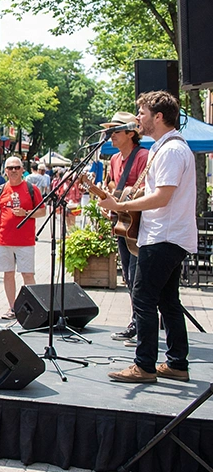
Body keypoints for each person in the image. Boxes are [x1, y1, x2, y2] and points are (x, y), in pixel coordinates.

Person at [100, 91, 197, 384]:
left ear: (158, 116)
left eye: (142, 112)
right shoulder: (164, 148)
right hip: (167, 235)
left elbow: (162, 197)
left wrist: (123, 206)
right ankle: (177, 363)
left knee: (142, 297)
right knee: (168, 300)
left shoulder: (170, 151)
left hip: (163, 237)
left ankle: (144, 365)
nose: (138, 118)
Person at [102, 112, 149, 345]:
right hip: (123, 224)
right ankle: (136, 321)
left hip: (141, 224)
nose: (110, 136)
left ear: (131, 133)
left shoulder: (143, 156)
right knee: (129, 278)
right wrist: (107, 203)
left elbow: (147, 190)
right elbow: (112, 186)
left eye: (115, 131)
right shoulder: (113, 160)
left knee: (137, 277)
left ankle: (142, 323)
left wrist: (121, 201)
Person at [0, 157, 44, 320]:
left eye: (16, 168)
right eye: (10, 168)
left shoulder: (31, 188)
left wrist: (26, 213)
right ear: (5, 171)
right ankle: (12, 308)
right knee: (8, 274)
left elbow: (42, 211)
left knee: (27, 274)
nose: (13, 171)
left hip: (25, 241)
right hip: (5, 240)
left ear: (22, 170)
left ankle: (32, 308)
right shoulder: (0, 190)